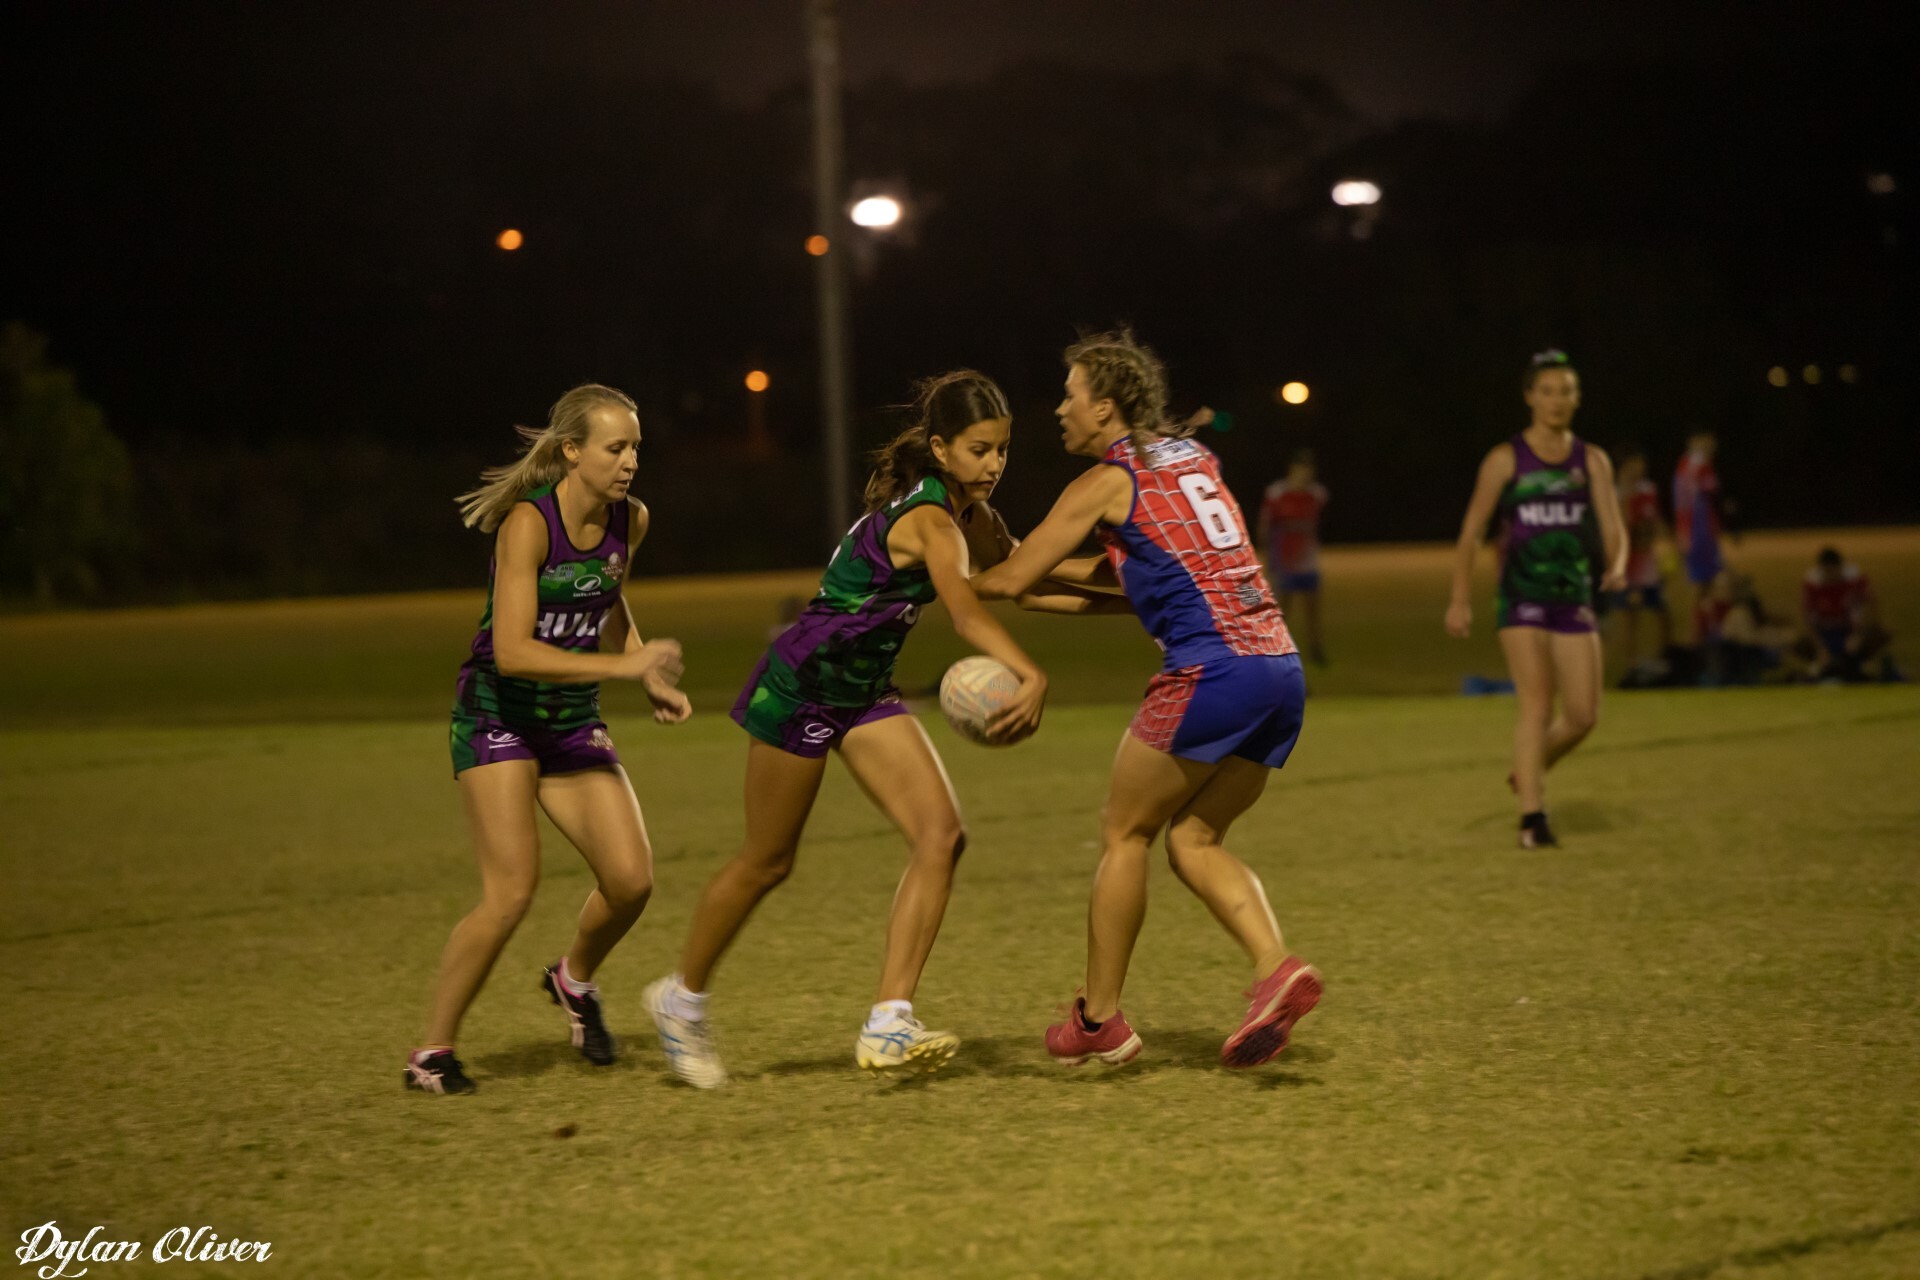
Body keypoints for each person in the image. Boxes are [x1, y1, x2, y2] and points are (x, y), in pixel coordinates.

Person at [642, 371, 1051, 1087]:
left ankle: (889, 1022)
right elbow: (966, 613)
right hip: (800, 686)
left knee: (941, 836)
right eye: (980, 449)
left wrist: (1129, 588)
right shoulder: (928, 520)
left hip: (862, 692)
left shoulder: (972, 517)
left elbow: (1021, 576)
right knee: (767, 862)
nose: (994, 464)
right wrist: (1031, 673)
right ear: (940, 448)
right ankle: (679, 1001)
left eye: (1003, 451)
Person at [971, 328, 1321, 1071]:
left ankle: (1098, 1022)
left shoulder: (1104, 482)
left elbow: (1003, 579)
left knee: (1124, 831)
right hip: (1278, 667)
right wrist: (1039, 588)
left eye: (1069, 397)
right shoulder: (1192, 459)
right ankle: (1275, 971)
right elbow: (1132, 587)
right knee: (1194, 839)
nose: (1060, 410)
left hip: (1212, 672)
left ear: (1104, 407)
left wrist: (951, 569)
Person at [405, 384, 692, 1095]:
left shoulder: (634, 520)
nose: (629, 462)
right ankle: (431, 1056)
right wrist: (623, 665)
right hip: (498, 714)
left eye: (635, 449)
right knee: (510, 892)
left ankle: (573, 980)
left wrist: (645, 665)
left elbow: (610, 591)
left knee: (631, 881)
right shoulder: (528, 526)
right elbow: (511, 651)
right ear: (572, 451)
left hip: (567, 719)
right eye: (614, 447)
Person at [1445, 349, 1626, 849]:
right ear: (1530, 397)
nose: (1556, 400)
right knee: (1538, 702)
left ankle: (1528, 768)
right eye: (1547, 391)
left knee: (1584, 715)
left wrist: (1618, 563)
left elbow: (1612, 524)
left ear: (1577, 398)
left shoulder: (1591, 460)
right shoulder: (1506, 459)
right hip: (1522, 599)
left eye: (1566, 391)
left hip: (1575, 599)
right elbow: (1471, 532)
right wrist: (1459, 598)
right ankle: (1533, 818)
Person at [1258, 449, 1330, 664]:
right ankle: (1281, 650)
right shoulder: (1277, 493)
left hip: (1308, 559)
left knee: (1312, 608)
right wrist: (1268, 553)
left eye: (1309, 470)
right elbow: (1266, 523)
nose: (1305, 474)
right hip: (1285, 560)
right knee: (1283, 610)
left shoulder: (1317, 493)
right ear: (1292, 470)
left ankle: (1316, 647)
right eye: (1301, 469)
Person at [1611, 447, 1673, 673]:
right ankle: (1631, 664)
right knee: (1631, 615)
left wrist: (1669, 550)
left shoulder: (1648, 490)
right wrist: (1627, 494)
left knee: (1662, 611)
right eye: (1633, 466)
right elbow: (1621, 525)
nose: (1639, 470)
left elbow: (1655, 520)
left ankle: (1667, 656)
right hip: (1627, 565)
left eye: (1641, 465)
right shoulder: (1615, 494)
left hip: (1649, 564)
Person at [1797, 546, 1897, 681]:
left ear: (1840, 568)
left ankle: (1859, 668)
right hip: (1826, 633)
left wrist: (1858, 635)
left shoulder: (1854, 580)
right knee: (1796, 641)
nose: (1830, 576)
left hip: (1850, 631)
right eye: (1827, 571)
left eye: (1833, 571)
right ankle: (1824, 669)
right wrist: (1820, 648)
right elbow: (1807, 618)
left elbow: (1872, 607)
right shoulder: (1813, 584)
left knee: (1884, 632)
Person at [1672, 429, 1729, 638]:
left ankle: (1703, 631)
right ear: (1694, 441)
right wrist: (1685, 532)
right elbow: (1687, 501)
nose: (1711, 446)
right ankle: (1698, 633)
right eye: (1706, 441)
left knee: (1706, 584)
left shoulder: (1689, 464)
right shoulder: (1696, 464)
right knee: (1703, 584)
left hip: (1701, 529)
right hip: (1698, 530)